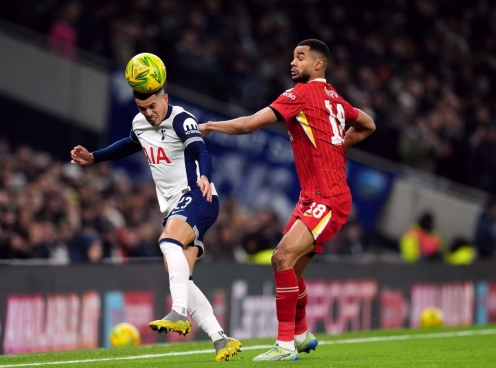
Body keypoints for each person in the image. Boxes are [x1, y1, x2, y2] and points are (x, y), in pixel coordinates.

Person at [200, 39, 376, 361]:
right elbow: (368, 124)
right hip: (311, 198)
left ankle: (284, 347)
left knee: (281, 258)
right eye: (292, 56)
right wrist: (338, 145)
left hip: (327, 197)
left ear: (318, 64)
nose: (292, 62)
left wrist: (211, 125)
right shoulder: (335, 98)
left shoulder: (300, 95)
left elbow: (248, 125)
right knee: (291, 270)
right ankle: (302, 334)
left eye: (300, 57)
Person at [70, 83, 242, 361]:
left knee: (167, 242)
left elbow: (201, 151)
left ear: (165, 98)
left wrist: (206, 176)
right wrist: (94, 157)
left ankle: (179, 313)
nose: (149, 113)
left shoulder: (181, 119)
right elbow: (129, 144)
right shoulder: (140, 122)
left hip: (198, 195)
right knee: (180, 275)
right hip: (175, 206)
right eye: (142, 108)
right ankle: (221, 339)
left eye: (153, 106)